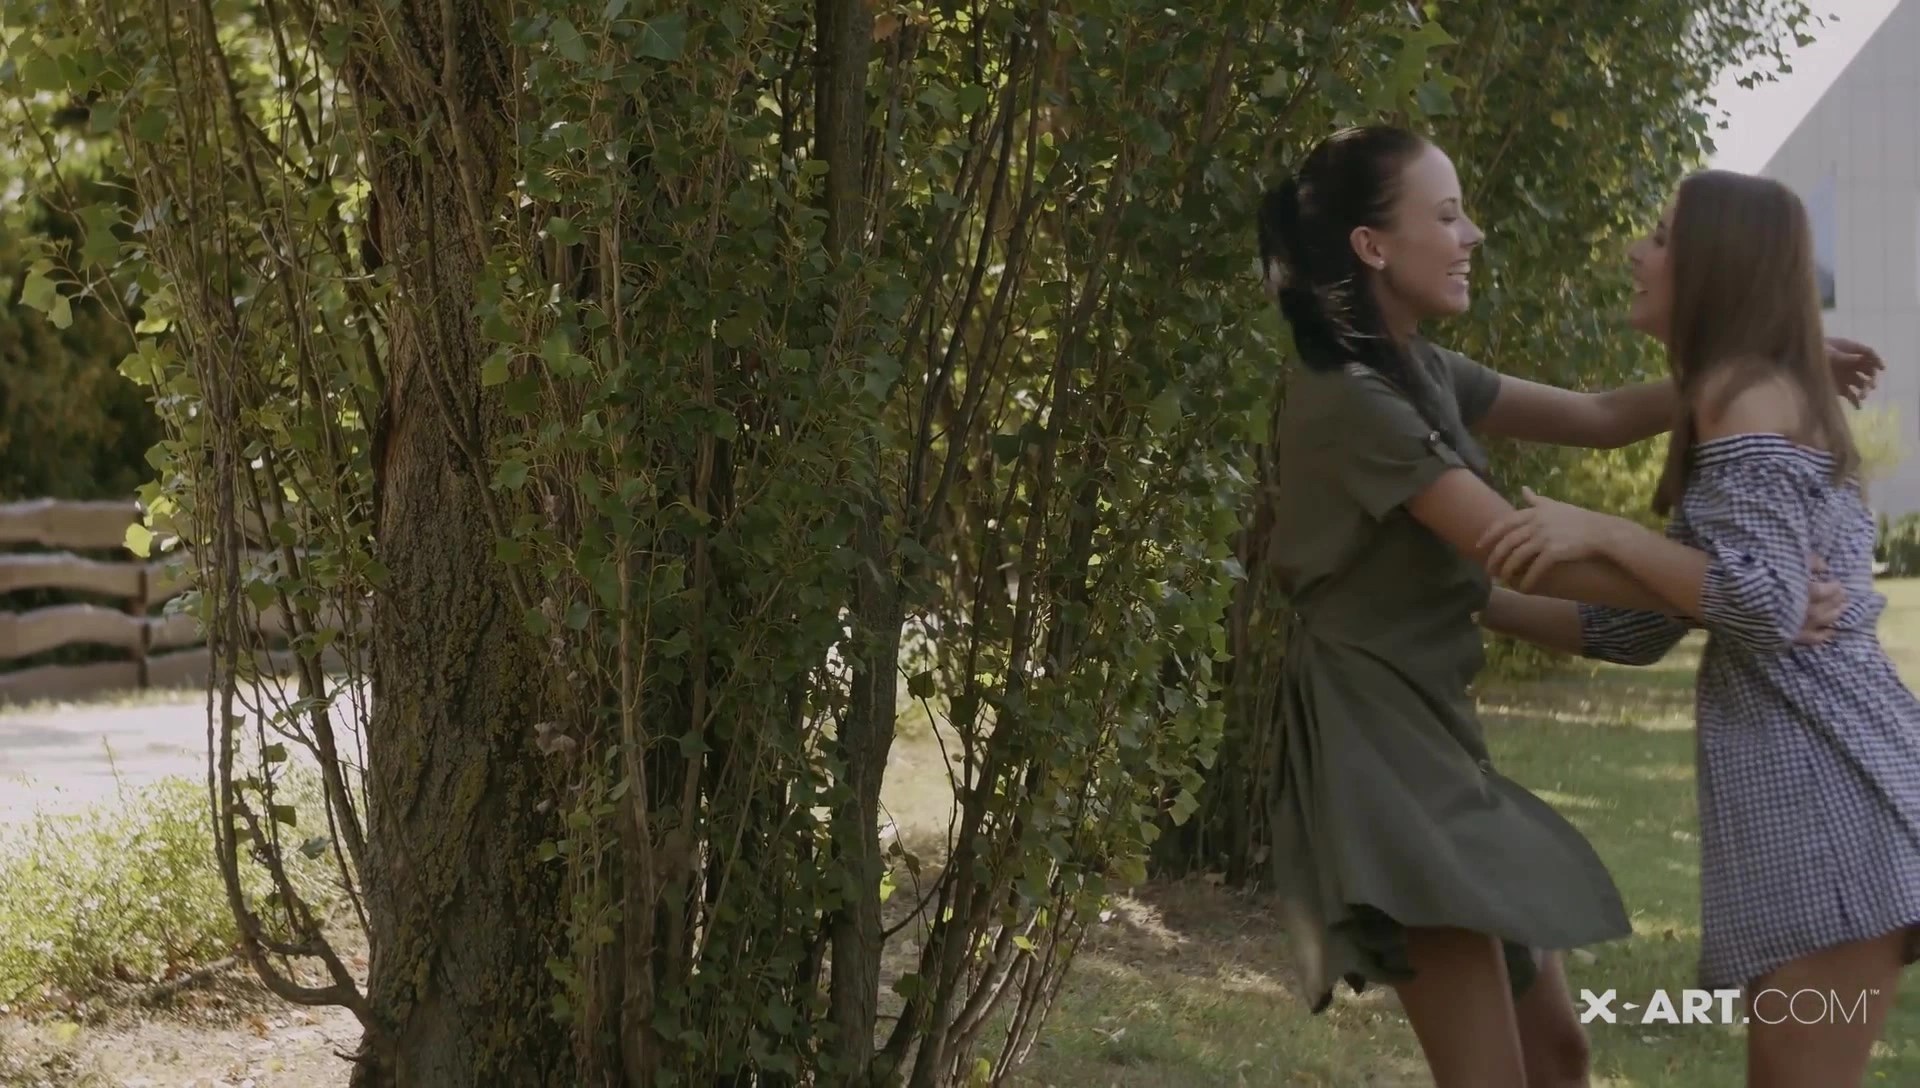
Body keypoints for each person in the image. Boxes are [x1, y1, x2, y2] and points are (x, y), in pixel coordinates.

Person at [1257, 126, 1879, 1088]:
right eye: (1448, 215)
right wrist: (1737, 596)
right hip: (1375, 744)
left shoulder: (1421, 368)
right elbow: (1527, 554)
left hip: (1433, 729)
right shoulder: (1354, 399)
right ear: (1371, 246)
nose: (1473, 235)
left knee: (1559, 1051)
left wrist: (1759, 357)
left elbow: (1597, 417)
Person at [1475, 169, 1920, 1088]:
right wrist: (1468, 596)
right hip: (1815, 807)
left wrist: (1605, 531)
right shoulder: (1741, 393)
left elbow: (1766, 606)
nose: (1637, 253)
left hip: (1833, 808)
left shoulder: (1745, 396)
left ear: (1715, 262)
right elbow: (1632, 627)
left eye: (1661, 236)